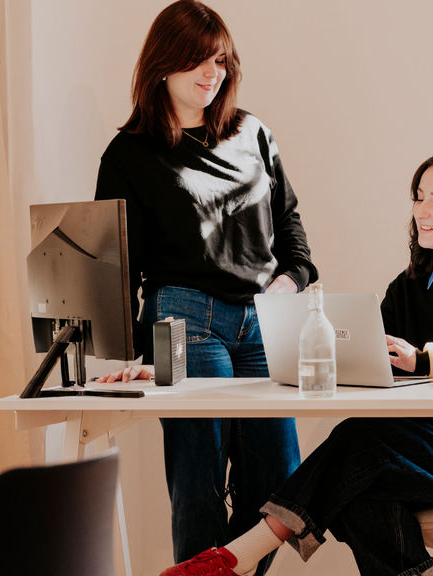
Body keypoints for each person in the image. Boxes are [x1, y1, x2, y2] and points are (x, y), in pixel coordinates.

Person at [160, 149, 433, 576]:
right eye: (419, 198)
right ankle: (238, 558)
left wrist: (428, 359)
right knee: (356, 488)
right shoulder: (408, 285)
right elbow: (365, 359)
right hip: (419, 451)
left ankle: (240, 554)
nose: (423, 211)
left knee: (359, 445)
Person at [93, 2, 318, 574]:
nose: (211, 72)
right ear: (163, 64)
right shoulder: (129, 154)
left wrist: (289, 285)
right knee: (197, 474)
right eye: (197, 59)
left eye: (219, 59)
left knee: (279, 480)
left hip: (265, 317)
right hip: (181, 317)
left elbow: (293, 236)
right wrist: (133, 354)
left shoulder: (254, 132)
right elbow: (119, 269)